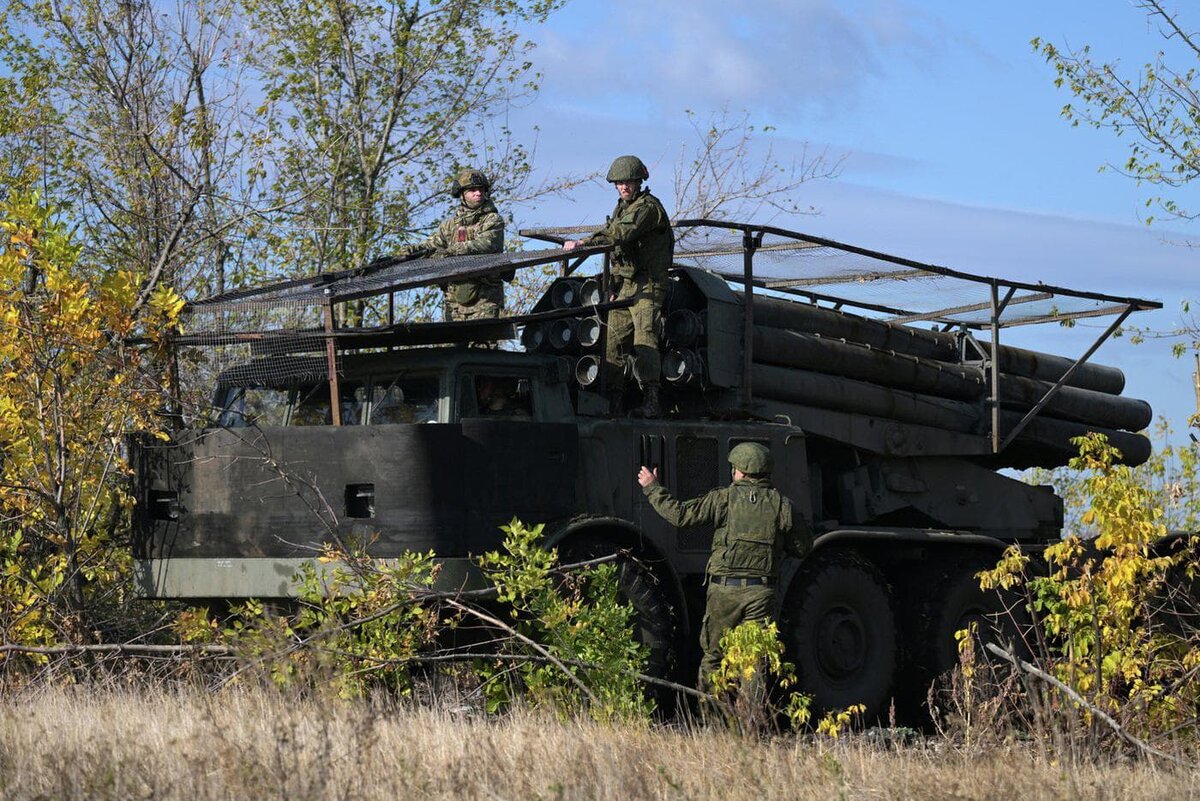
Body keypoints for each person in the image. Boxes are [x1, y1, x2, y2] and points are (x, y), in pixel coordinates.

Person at [637, 442, 810, 687]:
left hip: (723, 592)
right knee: (754, 662)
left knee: (714, 659)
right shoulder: (783, 505)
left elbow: (680, 516)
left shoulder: (722, 499)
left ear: (739, 471)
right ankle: (751, 721)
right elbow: (803, 547)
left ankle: (713, 721)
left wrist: (652, 488)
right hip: (761, 593)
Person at [564, 155, 673, 418]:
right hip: (626, 285)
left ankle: (651, 401)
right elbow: (619, 255)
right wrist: (612, 283)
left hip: (648, 283)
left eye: (629, 182)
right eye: (619, 183)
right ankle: (613, 401)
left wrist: (583, 243)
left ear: (639, 182)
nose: (624, 187)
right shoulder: (621, 209)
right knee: (612, 343)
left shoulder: (648, 208)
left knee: (645, 338)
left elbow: (620, 234)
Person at [396, 168, 506, 322]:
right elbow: (433, 244)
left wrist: (450, 251)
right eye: (472, 190)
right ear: (462, 195)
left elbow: (487, 244)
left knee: (484, 342)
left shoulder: (492, 220)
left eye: (481, 190)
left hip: (485, 298)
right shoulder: (449, 225)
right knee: (455, 343)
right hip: (454, 301)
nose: (478, 193)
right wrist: (412, 250)